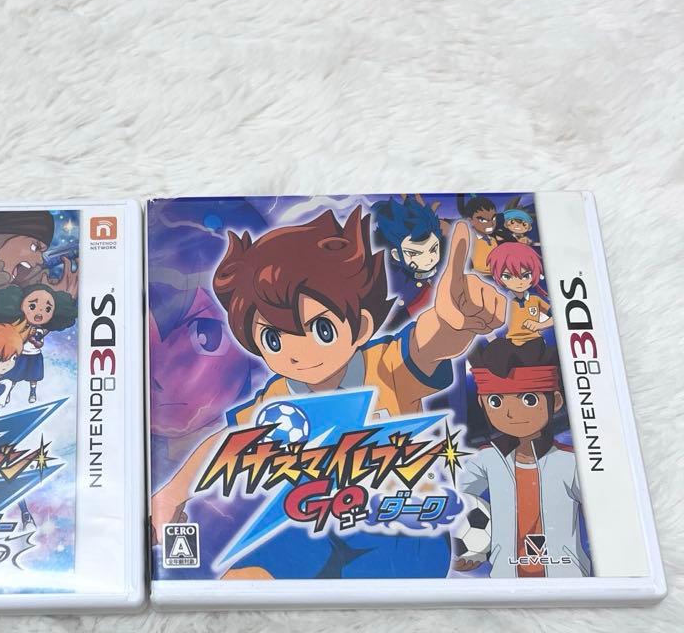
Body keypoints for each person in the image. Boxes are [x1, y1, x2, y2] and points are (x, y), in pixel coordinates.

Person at [150, 205, 507, 534]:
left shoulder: (386, 366)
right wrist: (174, 492)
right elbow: (226, 443)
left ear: (361, 326)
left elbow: (426, 344)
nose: (297, 353)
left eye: (322, 330)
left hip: (402, 525)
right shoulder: (278, 399)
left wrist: (452, 324)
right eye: (273, 338)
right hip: (321, 529)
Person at [455, 339, 588, 577]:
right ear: (482, 403)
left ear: (556, 402)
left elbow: (607, 511)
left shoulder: (571, 463)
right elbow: (455, 498)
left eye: (529, 399)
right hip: (506, 579)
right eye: (496, 401)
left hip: (566, 578)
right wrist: (471, 552)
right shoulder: (487, 460)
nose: (510, 413)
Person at [486, 242, 552, 346]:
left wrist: (540, 325)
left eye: (526, 276)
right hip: (511, 344)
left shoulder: (535, 299)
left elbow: (557, 316)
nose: (518, 282)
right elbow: (486, 323)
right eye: (508, 276)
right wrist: (493, 341)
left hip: (535, 341)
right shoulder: (503, 302)